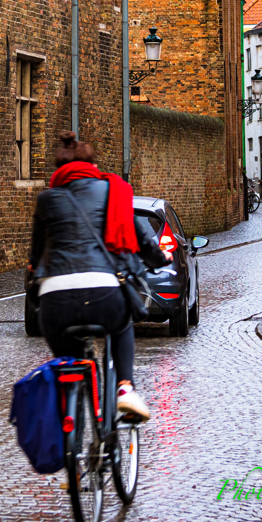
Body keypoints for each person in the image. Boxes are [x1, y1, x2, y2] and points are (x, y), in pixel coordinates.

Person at [29, 132, 170, 421]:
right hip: (104, 292)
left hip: (56, 300)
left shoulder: (46, 199)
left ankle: (73, 414)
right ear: (92, 166)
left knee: (69, 358)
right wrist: (161, 258)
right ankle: (124, 390)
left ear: (59, 170)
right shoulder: (112, 191)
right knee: (121, 326)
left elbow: (36, 258)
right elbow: (140, 238)